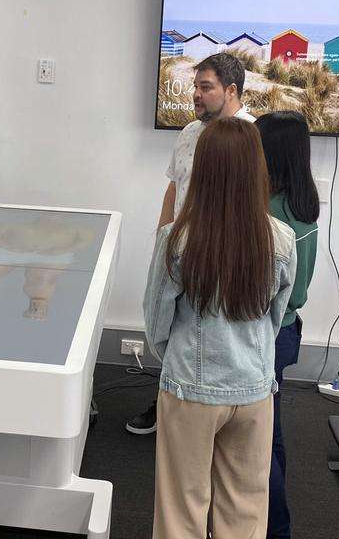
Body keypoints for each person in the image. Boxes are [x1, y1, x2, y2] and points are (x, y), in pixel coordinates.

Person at [144, 117, 297, 539]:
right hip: (254, 389)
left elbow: (156, 321)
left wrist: (175, 362)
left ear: (204, 168)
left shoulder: (176, 238)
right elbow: (276, 316)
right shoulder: (282, 240)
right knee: (246, 511)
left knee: (181, 509)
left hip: (190, 389)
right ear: (257, 170)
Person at [127, 52, 255, 435]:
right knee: (170, 329)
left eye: (206, 87)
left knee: (211, 337)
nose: (196, 95)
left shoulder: (252, 138)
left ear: (231, 90)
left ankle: (219, 414)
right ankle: (168, 399)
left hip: (224, 258)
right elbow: (174, 187)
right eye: (195, 87)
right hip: (180, 251)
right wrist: (163, 240)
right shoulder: (189, 132)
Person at [255, 111, 320, 539]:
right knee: (270, 434)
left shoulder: (271, 213)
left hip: (265, 335)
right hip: (287, 332)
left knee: (257, 445)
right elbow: (299, 295)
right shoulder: (305, 208)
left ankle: (274, 527)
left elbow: (279, 294)